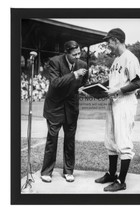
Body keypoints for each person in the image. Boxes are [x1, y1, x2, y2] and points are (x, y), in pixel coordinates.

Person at [95, 28, 140, 191]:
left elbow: (136, 83)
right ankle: (112, 173)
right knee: (110, 139)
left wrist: (118, 90)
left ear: (115, 40)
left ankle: (121, 182)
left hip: (125, 102)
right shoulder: (116, 60)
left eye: (108, 41)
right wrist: (93, 88)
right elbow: (112, 81)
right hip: (113, 101)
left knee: (123, 141)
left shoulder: (130, 58)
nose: (107, 44)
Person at [41, 40, 88, 183]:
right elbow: (55, 83)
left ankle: (69, 171)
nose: (78, 56)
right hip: (55, 107)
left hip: (72, 107)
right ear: (66, 53)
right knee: (52, 139)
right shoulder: (54, 62)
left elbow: (84, 81)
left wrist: (82, 88)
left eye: (79, 53)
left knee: (70, 140)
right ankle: (47, 172)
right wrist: (74, 74)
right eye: (74, 54)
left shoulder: (83, 65)